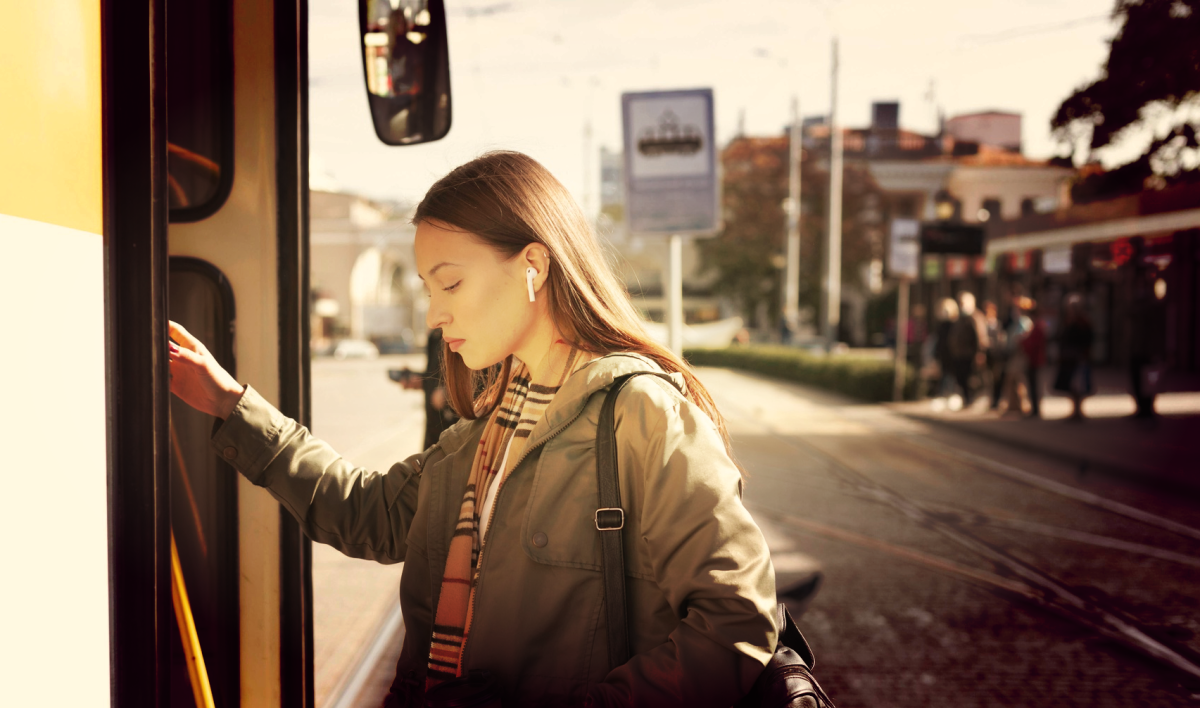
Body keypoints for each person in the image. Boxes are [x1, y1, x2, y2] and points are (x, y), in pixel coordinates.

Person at [167, 151, 778, 708]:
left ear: (533, 266)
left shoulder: (641, 415)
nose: (436, 313)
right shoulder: (483, 432)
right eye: (429, 288)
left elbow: (737, 622)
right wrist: (230, 404)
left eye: (451, 282)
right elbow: (366, 513)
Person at [1054, 294, 1094, 420]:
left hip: (1077, 357)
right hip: (1068, 358)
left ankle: (1078, 410)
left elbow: (1087, 340)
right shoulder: (1067, 321)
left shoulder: (1082, 322)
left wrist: (1083, 355)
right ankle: (1075, 410)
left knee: (1078, 384)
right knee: (1071, 385)